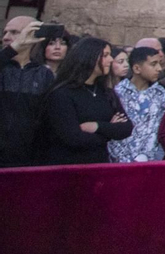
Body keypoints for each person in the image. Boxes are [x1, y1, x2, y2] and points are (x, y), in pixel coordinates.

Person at [36, 36, 131, 165]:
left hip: (98, 163)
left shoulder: (106, 92)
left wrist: (97, 126)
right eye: (105, 55)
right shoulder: (62, 94)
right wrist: (110, 130)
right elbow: (73, 138)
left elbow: (126, 127)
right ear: (89, 57)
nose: (110, 59)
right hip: (68, 166)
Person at [0, 17, 48, 166]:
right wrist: (12, 49)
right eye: (5, 32)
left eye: (14, 32)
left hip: (26, 157)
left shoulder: (43, 73)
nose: (6, 37)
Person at [109, 45, 165, 162]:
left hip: (151, 159)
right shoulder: (118, 92)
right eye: (153, 64)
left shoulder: (160, 92)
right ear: (137, 68)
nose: (159, 68)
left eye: (159, 64)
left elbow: (161, 124)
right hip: (121, 158)